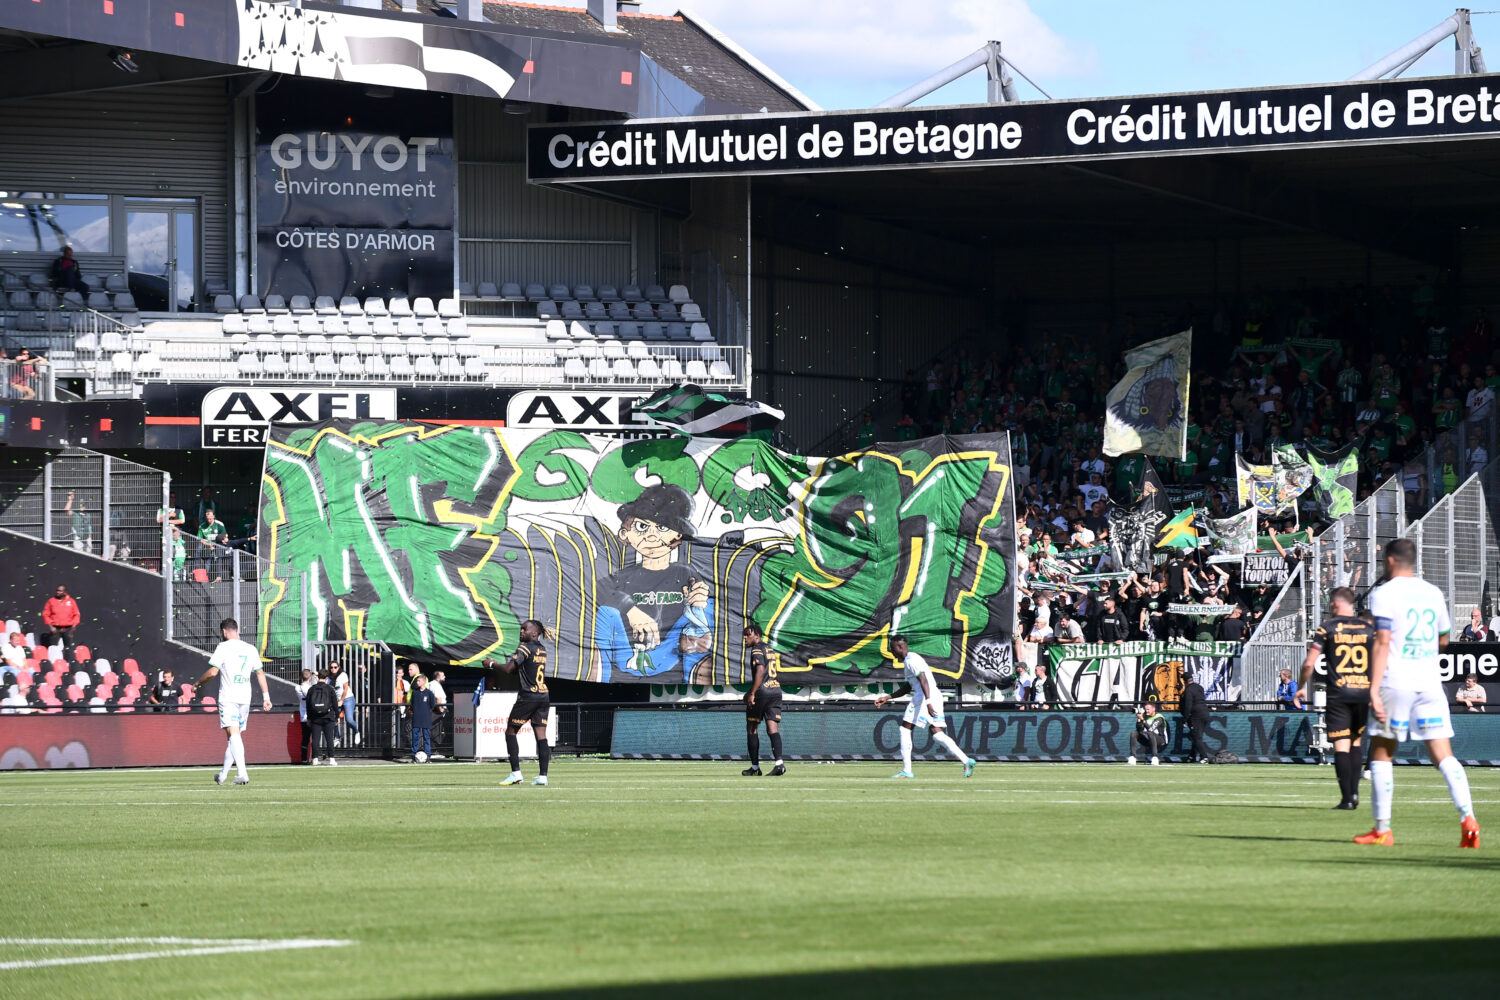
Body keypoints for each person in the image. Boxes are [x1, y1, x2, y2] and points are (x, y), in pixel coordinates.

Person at [1357, 539, 1480, 848]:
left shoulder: (1383, 594)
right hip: (1429, 681)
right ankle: (1468, 818)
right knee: (1444, 755)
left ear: (1390, 561)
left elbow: (1383, 642)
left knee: (1382, 752)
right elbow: (1443, 638)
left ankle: (1382, 829)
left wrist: (1372, 689)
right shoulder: (1432, 592)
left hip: (1394, 681)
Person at [1295, 588, 1375, 810]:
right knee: (1356, 742)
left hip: (1339, 693)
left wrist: (1301, 687)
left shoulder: (1327, 628)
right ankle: (1356, 793)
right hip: (1362, 691)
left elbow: (1309, 663)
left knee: (1341, 746)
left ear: (1335, 605)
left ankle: (1347, 798)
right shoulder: (1369, 629)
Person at [872, 635, 974, 779]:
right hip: (934, 696)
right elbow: (909, 686)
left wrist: (928, 702)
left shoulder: (911, 661)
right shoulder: (912, 659)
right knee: (937, 734)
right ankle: (966, 760)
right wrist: (888, 697)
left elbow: (923, 679)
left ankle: (907, 770)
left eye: (892, 647)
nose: (891, 651)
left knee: (904, 729)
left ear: (900, 647)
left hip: (925, 698)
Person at [195, 618, 271, 786]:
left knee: (233, 735)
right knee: (233, 736)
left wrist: (198, 683)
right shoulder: (250, 648)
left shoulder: (223, 647)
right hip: (245, 698)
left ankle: (242, 773)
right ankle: (222, 775)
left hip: (229, 697)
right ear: (237, 630)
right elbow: (260, 673)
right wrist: (266, 697)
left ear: (224, 631)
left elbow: (213, 672)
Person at [482, 619, 552, 787]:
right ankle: (543, 776)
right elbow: (524, 671)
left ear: (534, 633)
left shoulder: (525, 648)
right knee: (541, 736)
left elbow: (508, 669)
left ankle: (515, 773)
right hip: (543, 695)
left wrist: (492, 663)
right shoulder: (542, 649)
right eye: (521, 629)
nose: (521, 632)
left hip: (528, 696)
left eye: (524, 629)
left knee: (511, 731)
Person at [740, 623, 785, 777]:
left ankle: (754, 767)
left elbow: (760, 670)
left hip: (763, 692)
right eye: (744, 635)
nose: (745, 638)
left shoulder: (757, 649)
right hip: (775, 690)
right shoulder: (769, 649)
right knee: (772, 727)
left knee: (752, 727)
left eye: (748, 635)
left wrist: (752, 692)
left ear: (757, 636)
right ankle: (779, 764)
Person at [305, 668, 339, 764]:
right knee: (329, 738)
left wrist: (309, 718)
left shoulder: (311, 689)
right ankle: (332, 759)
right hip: (328, 717)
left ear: (317, 676)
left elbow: (308, 705)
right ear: (326, 677)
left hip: (315, 717)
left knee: (315, 739)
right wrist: (337, 716)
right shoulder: (330, 689)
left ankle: (315, 759)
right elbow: (335, 704)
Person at [1179, 669, 1211, 763]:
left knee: (1197, 737)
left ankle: (1204, 757)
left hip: (1196, 716)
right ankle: (1192, 756)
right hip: (1205, 713)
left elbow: (1188, 705)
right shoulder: (1199, 687)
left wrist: (1184, 719)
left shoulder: (1188, 690)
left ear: (1184, 681)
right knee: (1196, 736)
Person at [41, 584, 80, 652]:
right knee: (53, 648)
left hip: (68, 628)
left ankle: (68, 661)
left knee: (68, 648)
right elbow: (45, 614)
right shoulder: (51, 601)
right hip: (55, 628)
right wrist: (51, 626)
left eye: (60, 591)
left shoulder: (71, 601)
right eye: (57, 590)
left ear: (64, 592)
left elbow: (76, 614)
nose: (57, 592)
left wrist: (74, 626)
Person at [409, 674, 437, 763]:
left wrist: (426, 712)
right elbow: (412, 704)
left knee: (426, 737)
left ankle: (428, 757)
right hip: (416, 718)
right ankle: (413, 756)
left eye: (419, 681)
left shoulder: (429, 693)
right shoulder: (415, 693)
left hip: (426, 718)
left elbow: (432, 705)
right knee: (415, 737)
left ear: (424, 682)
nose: (417, 682)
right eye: (417, 681)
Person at [331, 660, 359, 747]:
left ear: (338, 667)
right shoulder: (329, 677)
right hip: (337, 700)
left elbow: (345, 689)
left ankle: (357, 732)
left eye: (335, 667)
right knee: (333, 718)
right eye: (331, 667)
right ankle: (337, 737)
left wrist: (341, 701)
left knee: (349, 720)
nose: (333, 669)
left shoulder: (343, 675)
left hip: (347, 698)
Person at [196, 509, 228, 581]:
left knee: (219, 553)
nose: (209, 520)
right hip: (207, 546)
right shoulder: (202, 526)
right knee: (203, 553)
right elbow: (200, 539)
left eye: (210, 518)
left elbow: (225, 536)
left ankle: (219, 576)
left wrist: (218, 544)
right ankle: (204, 576)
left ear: (214, 516)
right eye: (207, 519)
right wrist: (208, 545)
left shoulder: (219, 524)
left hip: (218, 546)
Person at [295, 667, 314, 760]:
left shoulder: (297, 687)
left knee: (305, 738)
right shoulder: (312, 688)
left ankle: (304, 758)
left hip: (303, 716)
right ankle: (315, 757)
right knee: (315, 737)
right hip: (313, 716)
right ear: (310, 678)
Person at [428, 669, 448, 756]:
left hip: (436, 710)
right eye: (443, 675)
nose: (445, 677)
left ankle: (435, 750)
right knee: (436, 732)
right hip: (437, 712)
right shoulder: (435, 685)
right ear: (438, 677)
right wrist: (441, 710)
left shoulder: (434, 684)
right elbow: (437, 698)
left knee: (437, 731)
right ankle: (435, 751)